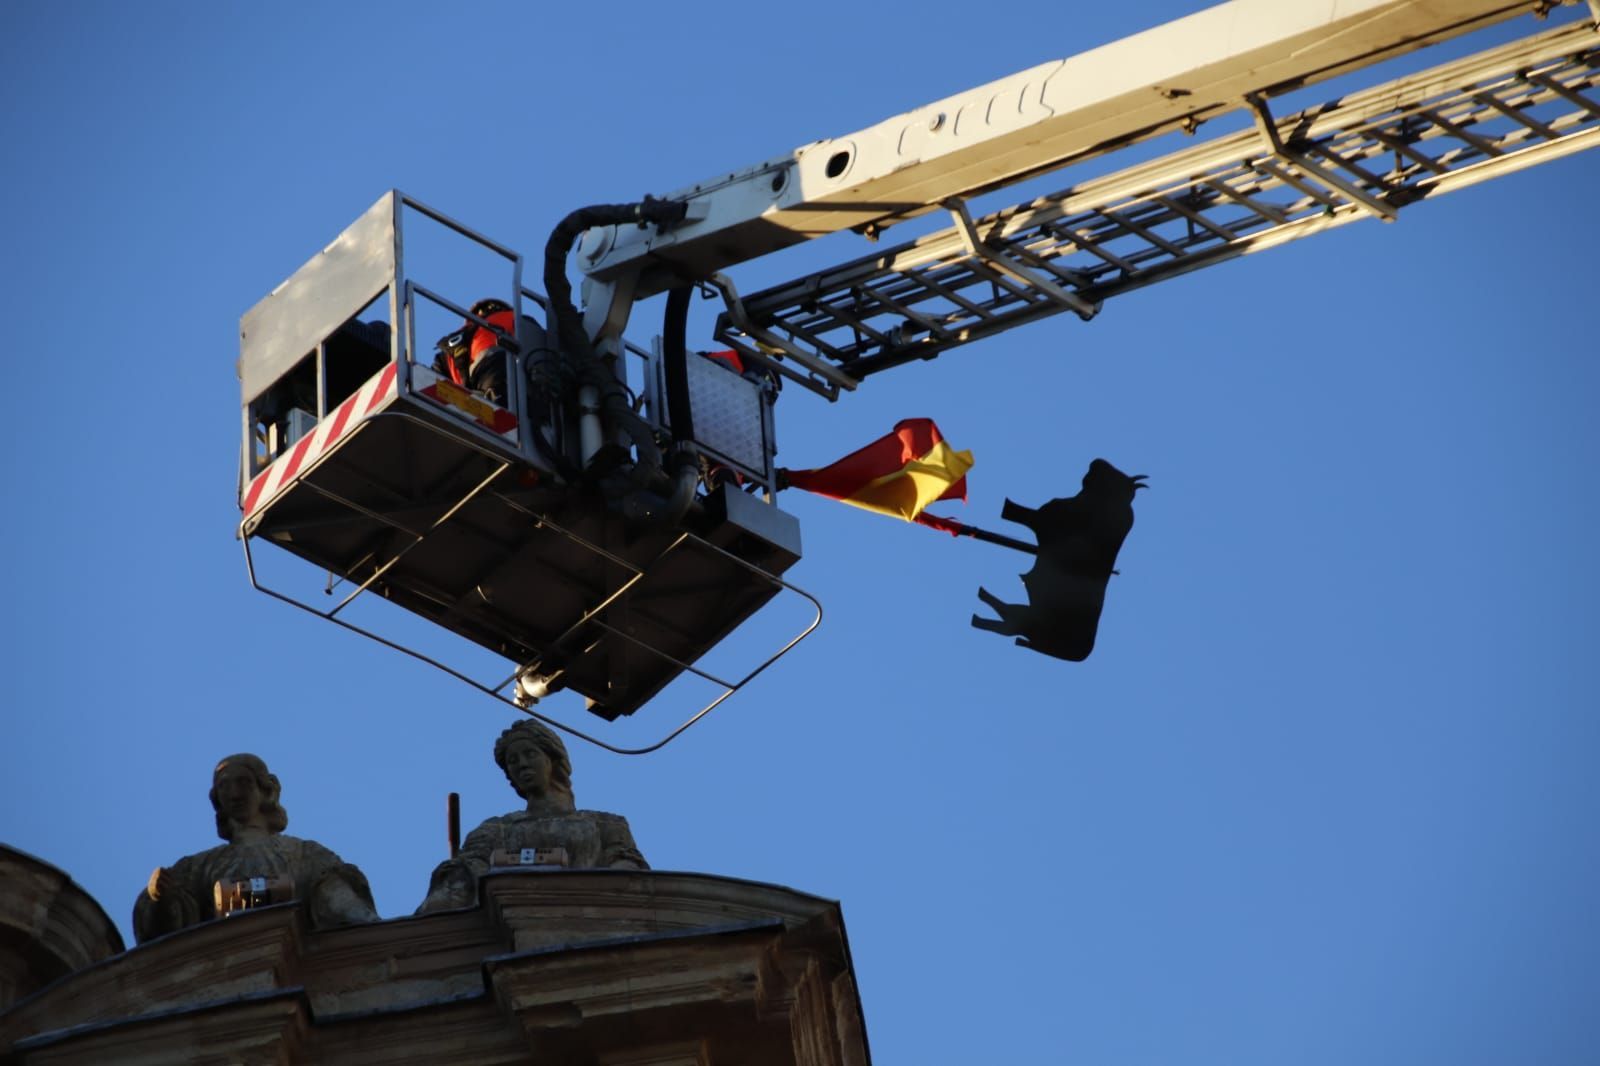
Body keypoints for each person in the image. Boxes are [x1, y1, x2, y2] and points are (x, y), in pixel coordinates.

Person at [132, 754, 378, 944]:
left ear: (265, 791)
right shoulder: (199, 866)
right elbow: (161, 927)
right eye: (224, 786)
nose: (234, 794)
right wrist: (159, 895)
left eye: (244, 783)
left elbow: (342, 901)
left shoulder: (305, 853)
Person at [416, 720, 647, 914]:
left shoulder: (607, 825)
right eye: (513, 761)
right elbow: (457, 888)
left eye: (530, 754)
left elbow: (630, 881)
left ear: (553, 759)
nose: (522, 765)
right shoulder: (494, 830)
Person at [432, 298, 514, 406]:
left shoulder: (453, 342)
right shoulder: (514, 318)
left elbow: (432, 378)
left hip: (480, 385)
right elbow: (534, 341)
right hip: (504, 372)